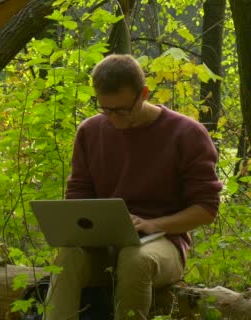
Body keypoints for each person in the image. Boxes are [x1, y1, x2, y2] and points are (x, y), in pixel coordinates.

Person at [43, 54, 223, 320]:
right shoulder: (90, 132)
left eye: (123, 110)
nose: (114, 118)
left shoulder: (186, 133)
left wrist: (154, 224)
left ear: (144, 94)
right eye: (106, 109)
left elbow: (207, 209)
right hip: (102, 245)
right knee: (68, 256)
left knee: (135, 258)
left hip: (163, 244)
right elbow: (78, 196)